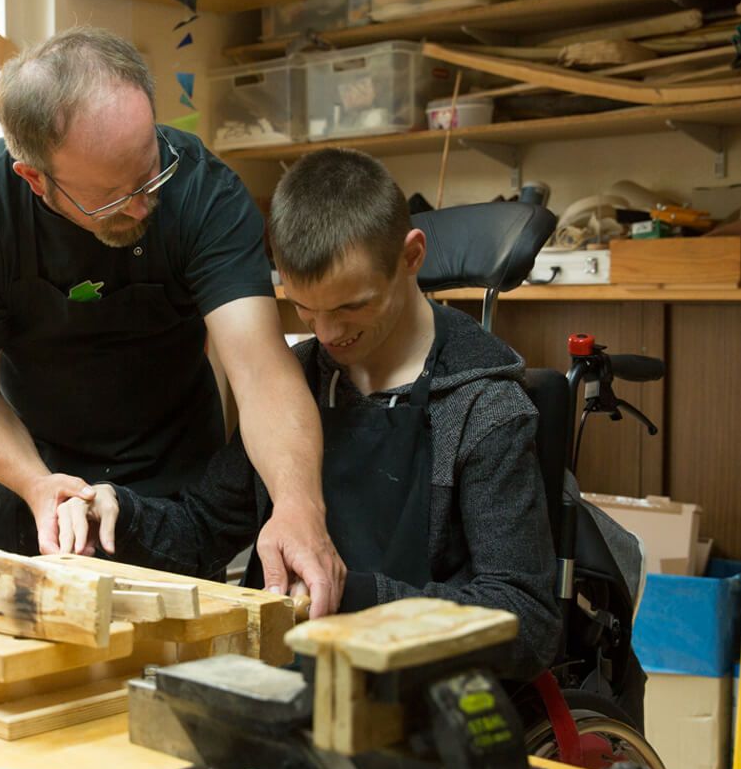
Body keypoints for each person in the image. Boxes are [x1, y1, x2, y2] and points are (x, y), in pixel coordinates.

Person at [58, 148, 562, 679]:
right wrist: (116, 514)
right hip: (277, 690)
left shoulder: (482, 408)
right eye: (304, 309)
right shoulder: (293, 385)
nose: (326, 335)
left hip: (420, 709)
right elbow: (201, 529)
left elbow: (527, 621)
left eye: (350, 306)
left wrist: (355, 597)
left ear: (412, 256)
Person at [0, 28, 346, 613]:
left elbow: (263, 373)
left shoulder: (203, 193)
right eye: (113, 198)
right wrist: (40, 485)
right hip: (18, 485)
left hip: (168, 493)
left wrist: (297, 505)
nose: (143, 205)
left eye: (149, 175)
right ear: (35, 179)